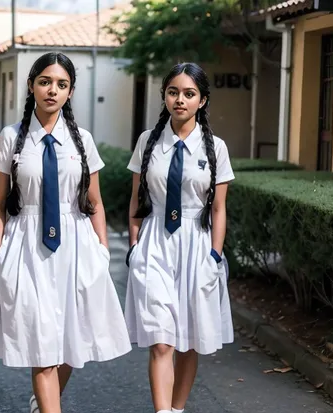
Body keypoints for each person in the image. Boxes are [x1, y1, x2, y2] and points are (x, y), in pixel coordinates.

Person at [0, 52, 132, 413]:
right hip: (26, 245)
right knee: (39, 339)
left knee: (70, 340)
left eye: (61, 85)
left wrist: (101, 251)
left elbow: (94, 202)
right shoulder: (11, 137)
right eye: (45, 82)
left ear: (70, 91)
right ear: (31, 85)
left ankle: (44, 400)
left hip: (77, 245)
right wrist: (1, 254)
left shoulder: (82, 140)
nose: (52, 90)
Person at [124, 62, 235, 413]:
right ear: (164, 97)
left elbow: (218, 208)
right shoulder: (148, 141)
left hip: (197, 244)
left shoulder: (216, 147)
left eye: (189, 94)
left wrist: (214, 257)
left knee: (189, 340)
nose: (180, 100)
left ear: (202, 100)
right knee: (160, 340)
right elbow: (136, 200)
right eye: (173, 92)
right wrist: (134, 247)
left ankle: (177, 408)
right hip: (155, 240)